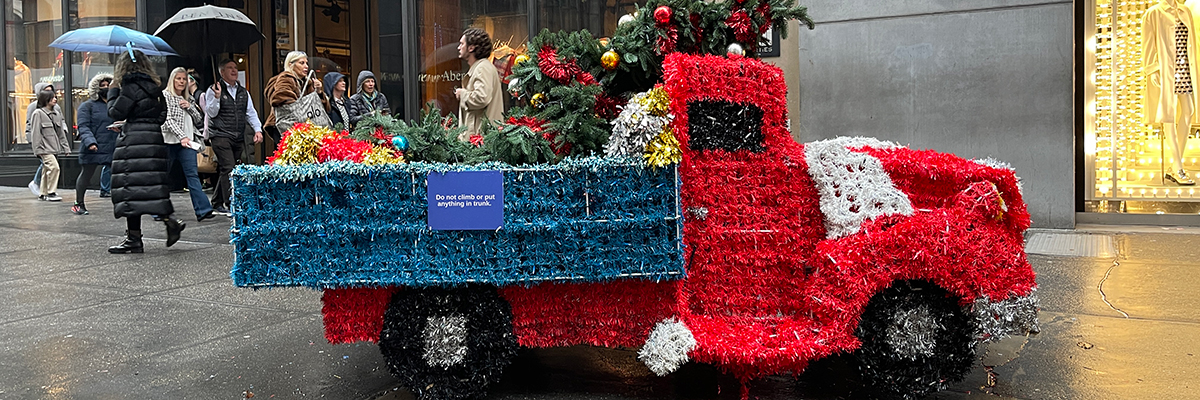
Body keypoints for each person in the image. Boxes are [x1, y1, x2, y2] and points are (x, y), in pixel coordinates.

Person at [106, 49, 186, 254]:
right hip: (154, 140)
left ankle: (134, 238)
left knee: (130, 189)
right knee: (152, 186)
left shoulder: (129, 88)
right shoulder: (156, 88)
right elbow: (162, 116)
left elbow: (115, 111)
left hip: (133, 141)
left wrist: (113, 91)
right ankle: (170, 222)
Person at [202, 59, 264, 216]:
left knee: (227, 168)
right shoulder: (213, 89)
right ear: (222, 72)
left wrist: (258, 130)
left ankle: (216, 201)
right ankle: (231, 204)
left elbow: (250, 112)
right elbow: (211, 113)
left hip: (237, 136)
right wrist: (216, 97)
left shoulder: (243, 92)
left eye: (235, 67)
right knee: (229, 168)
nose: (234, 70)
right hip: (220, 135)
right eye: (230, 68)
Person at [163, 67, 215, 222]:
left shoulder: (189, 98)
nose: (181, 81)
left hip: (188, 143)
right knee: (162, 176)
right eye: (178, 78)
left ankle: (203, 210)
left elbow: (199, 118)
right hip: (169, 141)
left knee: (192, 175)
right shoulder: (165, 96)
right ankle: (158, 209)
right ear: (172, 80)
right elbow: (167, 120)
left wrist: (190, 107)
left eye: (184, 79)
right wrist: (181, 136)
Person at [72, 73, 117, 215]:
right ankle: (78, 203)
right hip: (93, 146)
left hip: (112, 145)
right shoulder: (87, 106)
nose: (106, 87)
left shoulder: (115, 106)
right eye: (102, 85)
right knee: (87, 175)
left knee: (119, 176)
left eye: (108, 85)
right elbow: (83, 126)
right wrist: (90, 142)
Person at [455, 27, 504, 142]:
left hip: (480, 140)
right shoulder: (481, 67)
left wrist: (462, 94)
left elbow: (481, 98)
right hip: (480, 139)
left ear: (471, 48)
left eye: (462, 44)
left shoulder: (482, 68)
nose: (459, 47)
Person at [264, 50, 327, 134]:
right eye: (302, 63)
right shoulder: (286, 78)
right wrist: (301, 108)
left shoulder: (307, 83)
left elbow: (321, 107)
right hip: (286, 125)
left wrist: (318, 92)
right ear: (291, 65)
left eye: (306, 63)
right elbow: (279, 97)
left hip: (300, 126)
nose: (306, 66)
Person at [29, 90, 70, 202]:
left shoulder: (56, 114)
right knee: (54, 168)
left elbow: (61, 133)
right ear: (46, 99)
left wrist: (66, 147)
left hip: (54, 148)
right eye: (52, 97)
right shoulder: (38, 113)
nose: (55, 99)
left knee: (46, 170)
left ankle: (43, 193)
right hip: (44, 149)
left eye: (55, 97)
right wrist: (38, 150)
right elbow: (36, 133)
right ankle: (51, 192)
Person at [26, 83, 64, 196]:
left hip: (54, 142)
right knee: (52, 166)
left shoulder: (56, 107)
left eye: (51, 91)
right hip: (42, 143)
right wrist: (32, 141)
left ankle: (43, 191)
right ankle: (48, 190)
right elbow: (30, 125)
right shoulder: (34, 108)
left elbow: (61, 121)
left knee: (46, 166)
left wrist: (63, 135)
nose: (51, 94)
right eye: (46, 91)